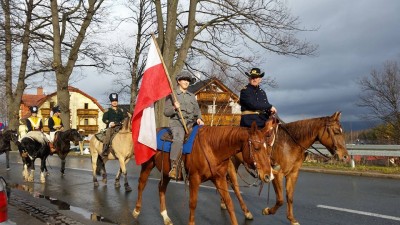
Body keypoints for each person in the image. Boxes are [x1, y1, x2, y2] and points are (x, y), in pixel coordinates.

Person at [164, 71, 204, 180]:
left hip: (191, 123)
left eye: (188, 80)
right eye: (184, 80)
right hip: (177, 123)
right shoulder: (172, 95)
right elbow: (166, 112)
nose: (186, 82)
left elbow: (197, 111)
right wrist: (174, 108)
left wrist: (199, 119)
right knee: (178, 139)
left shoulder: (192, 96)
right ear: (178, 81)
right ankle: (174, 166)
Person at [239, 68, 279, 170]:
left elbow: (264, 106)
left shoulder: (262, 92)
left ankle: (273, 156)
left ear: (260, 79)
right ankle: (260, 160)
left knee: (276, 129)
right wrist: (269, 106)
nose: (254, 79)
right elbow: (252, 104)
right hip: (250, 120)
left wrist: (269, 111)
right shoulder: (245, 91)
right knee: (259, 137)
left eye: (256, 77)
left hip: (262, 118)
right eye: (252, 77)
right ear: (249, 78)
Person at [101, 93, 125, 158]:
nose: (114, 102)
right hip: (111, 127)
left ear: (117, 102)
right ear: (111, 102)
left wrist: (122, 122)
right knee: (108, 133)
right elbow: (104, 119)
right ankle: (105, 149)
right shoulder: (108, 111)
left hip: (119, 126)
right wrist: (110, 123)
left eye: (116, 101)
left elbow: (123, 119)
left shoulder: (121, 111)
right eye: (113, 101)